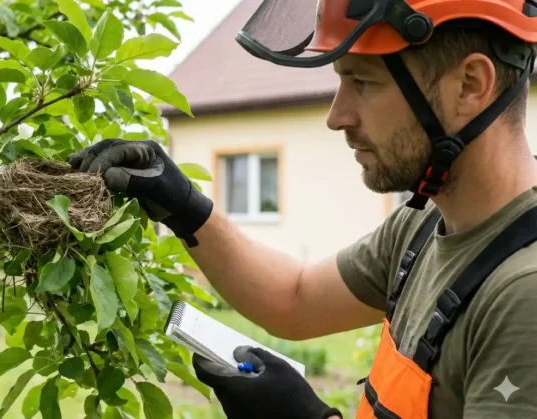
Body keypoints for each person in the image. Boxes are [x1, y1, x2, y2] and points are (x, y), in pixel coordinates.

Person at [68, 0, 537, 418]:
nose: (337, 116)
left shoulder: (523, 296)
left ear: (470, 85)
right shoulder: (423, 223)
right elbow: (295, 298)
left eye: (363, 82)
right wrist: (184, 205)